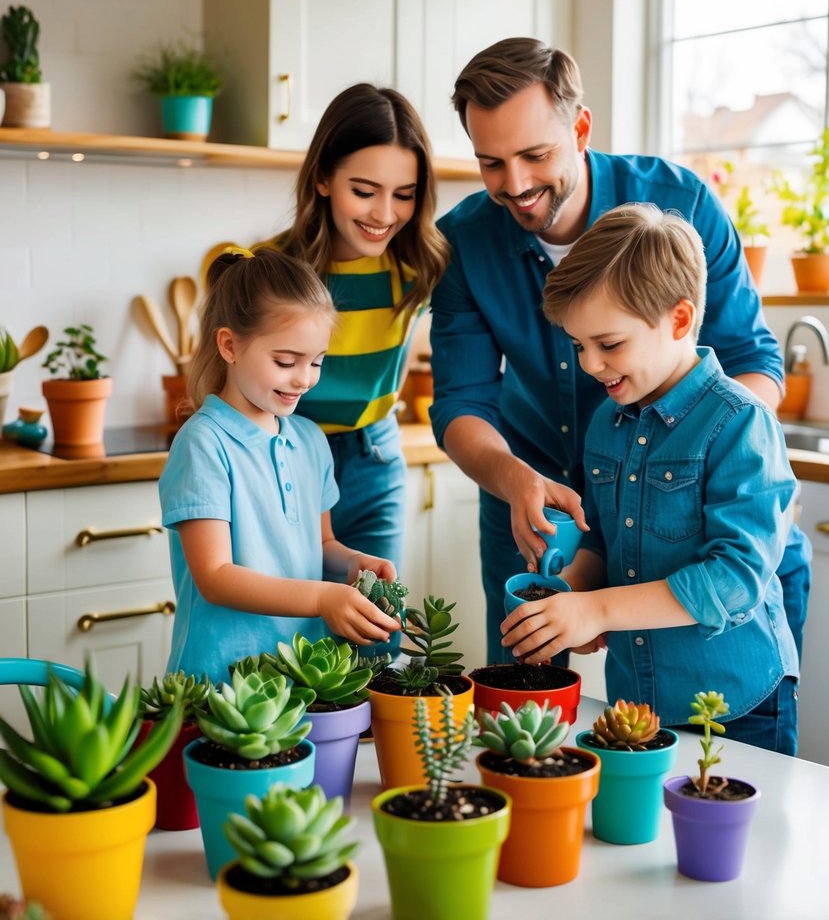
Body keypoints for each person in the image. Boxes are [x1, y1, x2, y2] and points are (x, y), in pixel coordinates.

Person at [429, 36, 810, 665]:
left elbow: (753, 362)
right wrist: (514, 478)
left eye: (535, 154)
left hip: (693, 515)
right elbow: (461, 404)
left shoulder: (679, 206)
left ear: (580, 128)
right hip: (537, 513)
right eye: (491, 163)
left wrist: (703, 467)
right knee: (540, 717)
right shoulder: (466, 242)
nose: (515, 184)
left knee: (736, 733)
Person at [501, 204, 799, 754]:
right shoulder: (607, 423)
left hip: (738, 704)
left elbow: (734, 577)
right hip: (637, 702)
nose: (591, 364)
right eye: (578, 346)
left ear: (679, 320)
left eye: (608, 344)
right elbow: (603, 541)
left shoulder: (739, 422)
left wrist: (600, 609)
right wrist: (569, 600)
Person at [160, 247, 401, 684]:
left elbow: (322, 542)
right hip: (219, 681)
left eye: (317, 362)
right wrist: (322, 599)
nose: (304, 379)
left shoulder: (310, 441)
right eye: (286, 362)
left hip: (301, 676)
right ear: (230, 345)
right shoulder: (203, 443)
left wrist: (352, 563)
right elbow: (215, 577)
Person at [268, 84, 449, 650]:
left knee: (377, 638)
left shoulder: (420, 266)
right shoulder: (274, 272)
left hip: (374, 461)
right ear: (323, 178)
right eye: (365, 191)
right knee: (289, 639)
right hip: (285, 463)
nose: (384, 214)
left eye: (404, 194)